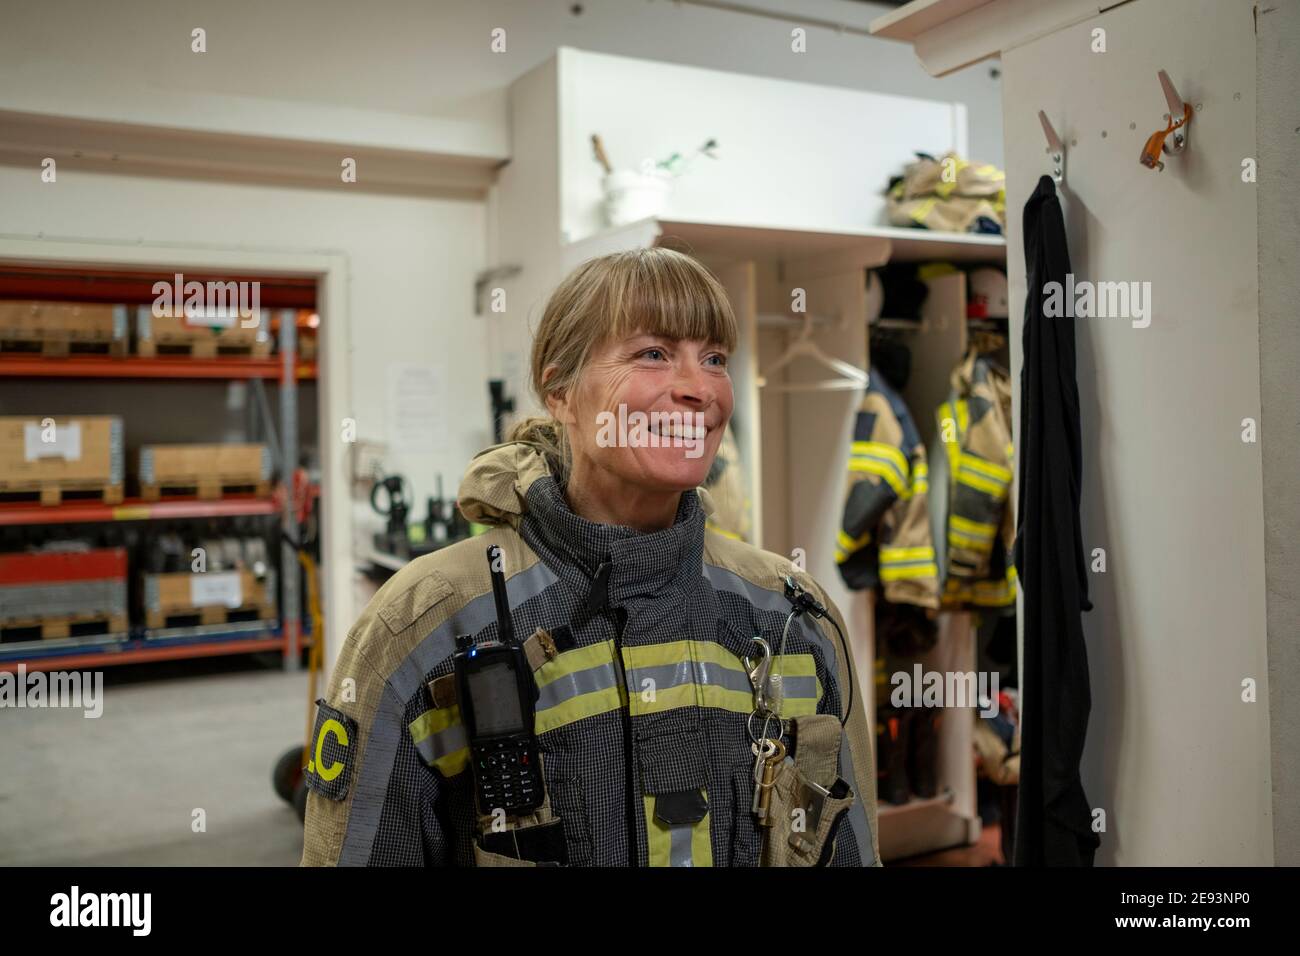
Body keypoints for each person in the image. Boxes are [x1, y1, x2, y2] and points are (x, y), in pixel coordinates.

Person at [301, 247, 880, 866]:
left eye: (714, 358)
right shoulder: (426, 624)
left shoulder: (793, 616)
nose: (698, 389)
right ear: (560, 389)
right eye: (652, 354)